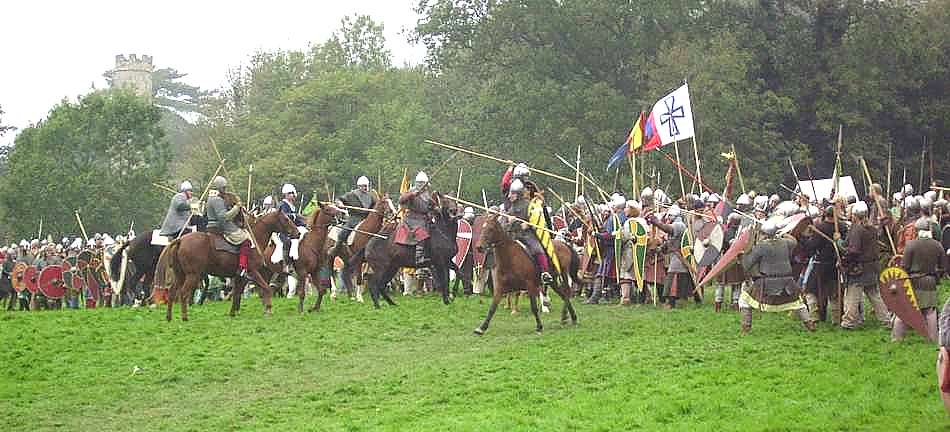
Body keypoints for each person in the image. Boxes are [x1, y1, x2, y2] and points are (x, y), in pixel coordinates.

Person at [739, 220, 816, 334]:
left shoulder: (761, 246)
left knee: (744, 300)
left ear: (764, 233)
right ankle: (809, 324)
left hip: (767, 282)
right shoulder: (785, 243)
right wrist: (783, 234)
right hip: (787, 282)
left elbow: (747, 265)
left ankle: (746, 328)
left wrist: (744, 254)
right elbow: (793, 242)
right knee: (798, 303)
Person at [841, 201, 891, 330]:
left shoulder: (857, 229)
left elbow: (854, 250)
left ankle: (849, 321)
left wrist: (844, 258)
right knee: (874, 296)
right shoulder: (872, 229)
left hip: (859, 268)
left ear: (855, 215)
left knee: (852, 295)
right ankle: (886, 320)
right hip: (871, 267)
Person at [893, 218, 946, 341]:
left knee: (904, 309)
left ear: (917, 231)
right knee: (930, 312)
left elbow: (904, 267)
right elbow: (943, 267)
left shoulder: (911, 245)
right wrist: (935, 275)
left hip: (912, 281)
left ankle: (897, 338)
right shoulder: (937, 245)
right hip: (930, 281)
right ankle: (933, 338)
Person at [504, 179, 555, 287]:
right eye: (510, 193)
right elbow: (505, 227)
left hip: (527, 235)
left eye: (512, 194)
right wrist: (509, 222)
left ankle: (545, 272)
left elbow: (537, 219)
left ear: (518, 194)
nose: (509, 196)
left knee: (537, 249)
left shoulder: (529, 205)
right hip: (514, 236)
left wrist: (529, 224)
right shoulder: (511, 209)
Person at [800, 206, 846, 323]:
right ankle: (836, 318)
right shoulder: (842, 227)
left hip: (822, 264)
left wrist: (805, 238)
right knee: (834, 292)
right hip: (836, 264)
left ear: (825, 215)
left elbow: (812, 246)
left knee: (811, 290)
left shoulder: (820, 228)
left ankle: (814, 316)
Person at [205, 176, 253, 278]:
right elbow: (224, 217)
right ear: (219, 187)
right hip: (221, 227)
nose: (225, 190)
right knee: (246, 241)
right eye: (223, 188)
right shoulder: (217, 199)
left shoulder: (211, 198)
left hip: (213, 226)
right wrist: (237, 207)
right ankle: (242, 267)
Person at [396, 172, 434, 278]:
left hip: (425, 218)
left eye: (424, 184)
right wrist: (412, 195)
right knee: (422, 235)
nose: (424, 186)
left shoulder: (426, 194)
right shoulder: (412, 191)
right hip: (412, 219)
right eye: (422, 183)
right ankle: (419, 259)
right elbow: (401, 200)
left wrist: (434, 208)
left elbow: (430, 205)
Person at [330, 176, 377, 258]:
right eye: (364, 186)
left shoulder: (370, 196)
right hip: (354, 219)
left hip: (366, 219)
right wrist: (340, 204)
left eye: (367, 186)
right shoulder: (351, 195)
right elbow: (339, 199)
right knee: (343, 232)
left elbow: (375, 207)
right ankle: (336, 248)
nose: (366, 188)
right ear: (359, 186)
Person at [458, 206, 477, 296]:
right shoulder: (461, 225)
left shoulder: (475, 226)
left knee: (468, 272)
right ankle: (467, 289)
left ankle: (469, 289)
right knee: (464, 271)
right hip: (462, 252)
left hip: (470, 252)